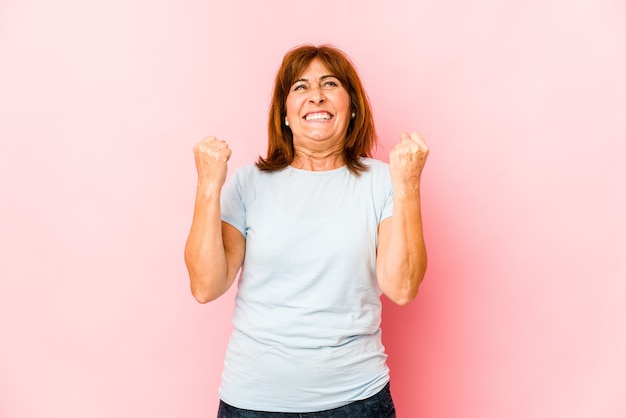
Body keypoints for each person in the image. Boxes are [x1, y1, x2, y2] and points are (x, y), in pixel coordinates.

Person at [184, 44, 429, 417]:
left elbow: (402, 287)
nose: (315, 95)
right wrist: (207, 186)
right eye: (300, 87)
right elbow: (205, 285)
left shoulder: (384, 181)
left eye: (329, 84)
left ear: (352, 108)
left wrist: (409, 184)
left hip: (356, 401)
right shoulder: (249, 183)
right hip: (252, 402)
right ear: (284, 114)